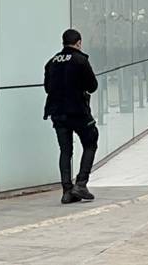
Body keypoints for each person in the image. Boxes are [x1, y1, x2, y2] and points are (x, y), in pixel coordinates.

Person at [43, 29, 100, 205]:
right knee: (91, 141)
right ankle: (81, 184)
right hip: (78, 111)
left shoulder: (52, 62)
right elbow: (92, 86)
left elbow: (47, 88)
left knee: (65, 151)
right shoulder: (80, 60)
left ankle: (67, 191)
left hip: (57, 113)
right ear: (79, 43)